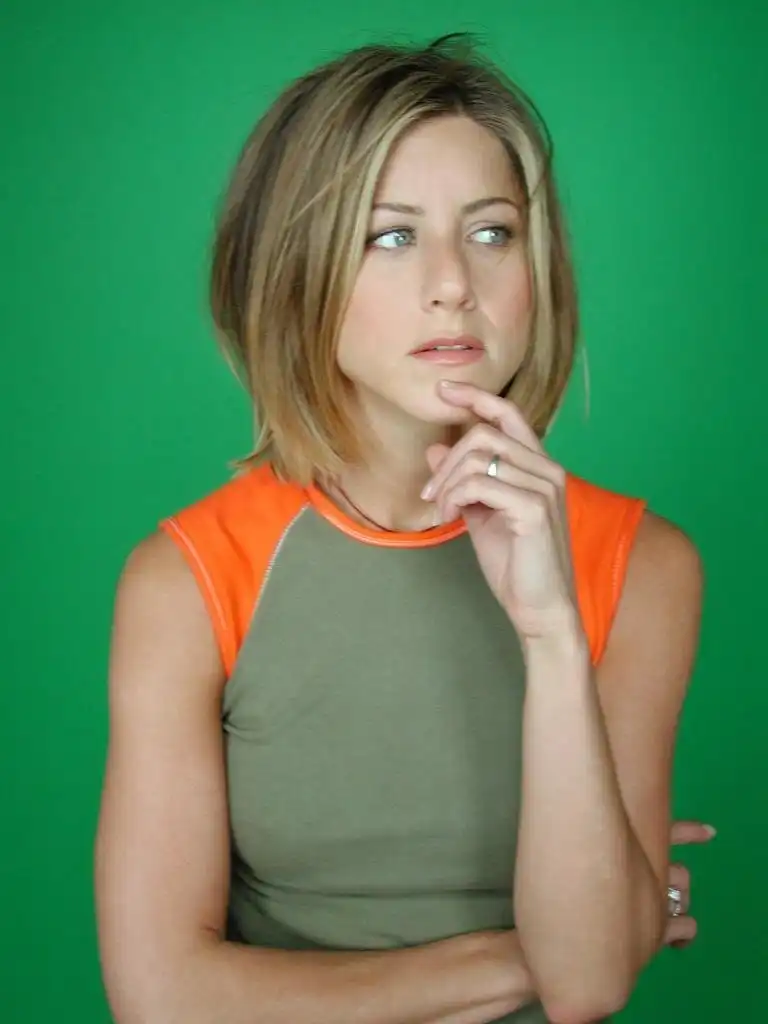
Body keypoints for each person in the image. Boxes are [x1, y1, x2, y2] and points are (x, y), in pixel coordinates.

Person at [94, 34, 707, 1024]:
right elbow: (162, 1000)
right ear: (297, 271)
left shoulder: (645, 564)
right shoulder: (187, 578)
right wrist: (566, 939)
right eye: (391, 236)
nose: (454, 282)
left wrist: (551, 631)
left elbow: (590, 988)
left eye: (492, 231)